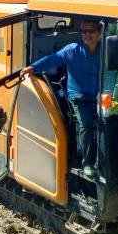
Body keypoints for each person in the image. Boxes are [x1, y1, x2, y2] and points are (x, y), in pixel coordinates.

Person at [20, 20, 102, 179]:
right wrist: (33, 67)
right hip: (79, 97)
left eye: (91, 31)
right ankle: (87, 162)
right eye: (84, 31)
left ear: (100, 32)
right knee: (87, 124)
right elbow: (53, 59)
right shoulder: (73, 50)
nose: (87, 34)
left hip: (99, 96)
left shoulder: (104, 51)